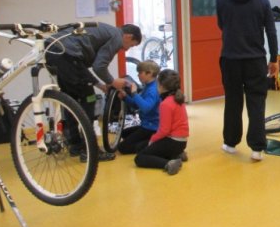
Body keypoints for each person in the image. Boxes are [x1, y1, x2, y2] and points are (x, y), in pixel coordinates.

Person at [45, 22, 142, 161]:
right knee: (89, 101)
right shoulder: (116, 36)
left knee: (71, 102)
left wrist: (100, 85)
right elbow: (99, 66)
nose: (126, 50)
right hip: (66, 55)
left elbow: (80, 67)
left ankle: (76, 146)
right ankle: (90, 150)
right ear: (128, 36)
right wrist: (112, 81)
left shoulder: (105, 31)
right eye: (131, 45)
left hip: (54, 52)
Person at [216, 0, 278, 162]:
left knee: (233, 101)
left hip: (230, 58)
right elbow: (271, 31)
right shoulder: (262, 0)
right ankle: (257, 149)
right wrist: (274, 58)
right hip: (255, 59)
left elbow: (221, 24)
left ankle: (231, 143)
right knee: (256, 102)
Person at [134, 69, 189, 175]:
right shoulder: (177, 98)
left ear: (162, 86)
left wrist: (152, 139)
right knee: (141, 147)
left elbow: (164, 130)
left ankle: (169, 163)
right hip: (181, 142)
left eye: (157, 84)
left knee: (140, 158)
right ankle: (177, 154)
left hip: (173, 141)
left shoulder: (165, 104)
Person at [117, 60, 161, 155]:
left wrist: (134, 93)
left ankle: (153, 143)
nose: (138, 75)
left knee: (122, 148)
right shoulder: (148, 86)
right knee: (124, 133)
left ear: (149, 73)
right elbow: (137, 105)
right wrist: (125, 97)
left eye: (140, 73)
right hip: (146, 124)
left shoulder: (153, 90)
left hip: (152, 127)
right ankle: (149, 139)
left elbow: (145, 108)